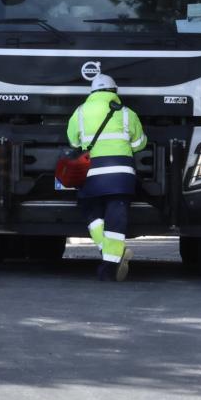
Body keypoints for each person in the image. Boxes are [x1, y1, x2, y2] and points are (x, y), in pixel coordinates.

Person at [66, 74, 147, 281]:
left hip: (92, 174)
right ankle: (110, 266)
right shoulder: (128, 114)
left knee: (91, 213)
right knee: (116, 219)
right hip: (122, 176)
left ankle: (114, 257)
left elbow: (73, 142)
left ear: (92, 93)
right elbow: (139, 144)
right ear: (114, 92)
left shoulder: (80, 112)